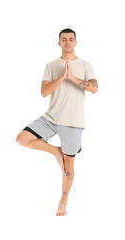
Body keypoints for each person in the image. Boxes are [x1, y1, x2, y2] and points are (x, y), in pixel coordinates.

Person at [16, 28, 98, 216]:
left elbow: (94, 88)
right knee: (21, 139)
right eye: (64, 39)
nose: (68, 42)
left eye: (71, 39)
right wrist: (62, 77)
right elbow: (44, 93)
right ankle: (55, 151)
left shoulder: (86, 65)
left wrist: (72, 77)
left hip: (73, 122)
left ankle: (63, 202)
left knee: (68, 167)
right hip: (51, 118)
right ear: (59, 43)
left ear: (76, 42)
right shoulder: (51, 65)